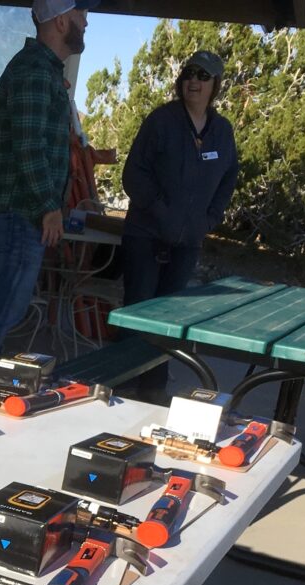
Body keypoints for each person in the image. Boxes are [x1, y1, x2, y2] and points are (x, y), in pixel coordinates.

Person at [0, 0, 98, 366]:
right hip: (20, 215)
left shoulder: (42, 70)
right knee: (4, 309)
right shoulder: (34, 71)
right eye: (81, 14)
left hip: (20, 215)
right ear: (61, 21)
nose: (86, 23)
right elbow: (29, 146)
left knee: (5, 309)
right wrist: (49, 207)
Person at [118, 50, 239, 402]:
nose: (193, 81)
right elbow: (133, 174)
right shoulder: (162, 121)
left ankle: (153, 390)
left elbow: (229, 177)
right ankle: (121, 386)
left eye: (202, 76)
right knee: (138, 313)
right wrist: (161, 210)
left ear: (215, 85)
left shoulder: (222, 131)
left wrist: (210, 218)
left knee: (168, 319)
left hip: (187, 243)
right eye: (189, 74)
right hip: (146, 236)